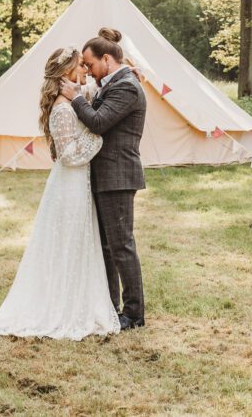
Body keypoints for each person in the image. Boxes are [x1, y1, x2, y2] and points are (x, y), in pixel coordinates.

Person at [0, 47, 120, 340]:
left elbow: (91, 89)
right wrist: (97, 136)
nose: (85, 71)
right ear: (66, 73)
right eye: (80, 66)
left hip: (78, 183)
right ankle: (60, 307)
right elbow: (68, 155)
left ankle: (78, 300)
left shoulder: (71, 101)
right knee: (67, 242)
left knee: (77, 242)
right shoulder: (63, 109)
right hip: (69, 184)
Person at [60, 27, 147, 330]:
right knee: (108, 247)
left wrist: (74, 98)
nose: (88, 71)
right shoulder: (116, 82)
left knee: (122, 246)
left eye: (90, 64)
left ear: (107, 59)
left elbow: (98, 122)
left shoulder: (127, 87)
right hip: (105, 174)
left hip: (118, 175)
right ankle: (112, 306)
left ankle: (134, 315)